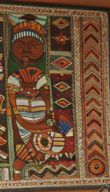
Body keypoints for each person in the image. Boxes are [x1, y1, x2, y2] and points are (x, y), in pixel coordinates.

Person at [5, 16, 74, 180]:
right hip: (23, 123)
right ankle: (17, 173)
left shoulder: (41, 79)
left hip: (40, 124)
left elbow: (48, 104)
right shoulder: (13, 78)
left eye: (34, 45)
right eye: (20, 45)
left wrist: (50, 124)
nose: (26, 50)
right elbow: (14, 114)